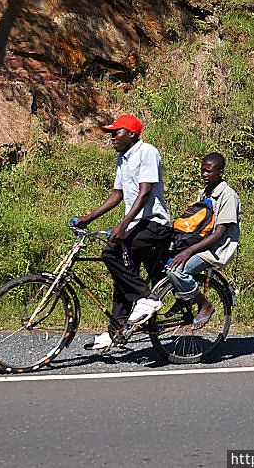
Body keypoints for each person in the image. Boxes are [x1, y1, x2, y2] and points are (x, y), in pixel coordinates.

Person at [73, 114, 173, 350]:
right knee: (122, 277)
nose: (112, 138)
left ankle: (147, 298)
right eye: (111, 134)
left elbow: (145, 192)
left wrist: (122, 225)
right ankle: (116, 331)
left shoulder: (147, 151)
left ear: (132, 134)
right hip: (137, 224)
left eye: (116, 133)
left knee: (111, 254)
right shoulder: (122, 158)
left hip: (154, 224)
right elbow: (117, 195)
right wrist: (88, 218)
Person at [166, 152, 240, 328]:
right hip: (198, 243)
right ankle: (185, 297)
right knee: (163, 260)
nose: (204, 175)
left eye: (209, 171)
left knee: (177, 270)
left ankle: (204, 305)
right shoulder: (204, 193)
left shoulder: (228, 196)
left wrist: (189, 251)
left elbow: (219, 233)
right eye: (202, 171)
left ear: (220, 172)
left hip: (214, 250)